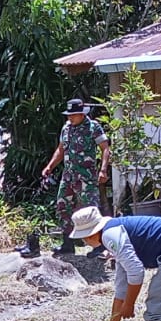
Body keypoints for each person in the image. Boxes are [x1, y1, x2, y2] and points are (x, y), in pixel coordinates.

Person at [42, 98, 110, 255]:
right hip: (68, 176)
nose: (70, 118)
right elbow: (60, 149)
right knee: (62, 206)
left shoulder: (93, 127)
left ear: (81, 114)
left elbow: (105, 149)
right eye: (68, 115)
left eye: (73, 115)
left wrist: (103, 170)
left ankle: (99, 246)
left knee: (91, 210)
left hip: (86, 177)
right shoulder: (66, 128)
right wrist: (50, 166)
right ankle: (67, 244)